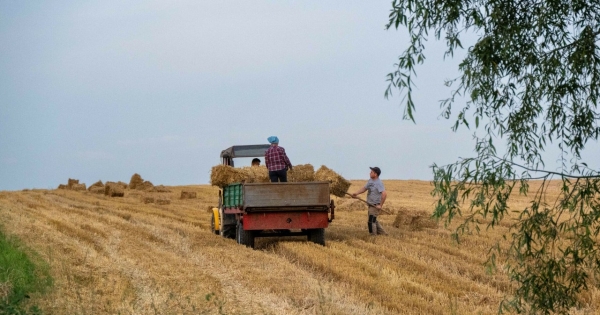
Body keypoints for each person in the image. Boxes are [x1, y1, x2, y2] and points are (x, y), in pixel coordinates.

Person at [351, 167, 387, 236]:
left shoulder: (379, 183)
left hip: (375, 205)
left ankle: (373, 236)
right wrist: (356, 193)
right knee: (374, 220)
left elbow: (384, 194)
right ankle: (383, 234)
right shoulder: (370, 181)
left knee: (371, 221)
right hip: (370, 204)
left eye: (371, 172)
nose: (369, 173)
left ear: (375, 174)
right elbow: (364, 188)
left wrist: (380, 205)